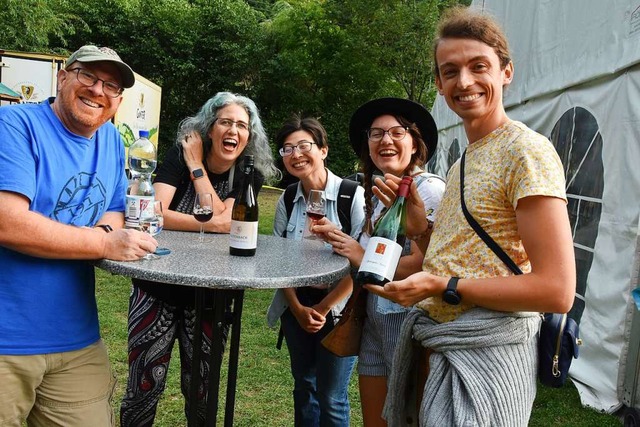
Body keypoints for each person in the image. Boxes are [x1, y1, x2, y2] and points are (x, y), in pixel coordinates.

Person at [368, 7, 576, 426]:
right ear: (440, 85)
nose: (464, 81)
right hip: (440, 348)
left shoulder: (525, 151)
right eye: (450, 71)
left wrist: (443, 285)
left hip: (488, 357)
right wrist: (419, 228)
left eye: (478, 66)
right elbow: (447, 258)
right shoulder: (460, 163)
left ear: (506, 71)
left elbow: (556, 290)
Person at [0, 45, 156, 427]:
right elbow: (7, 221)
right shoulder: (15, 125)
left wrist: (104, 229)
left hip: (76, 338)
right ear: (63, 76)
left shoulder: (110, 143)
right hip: (6, 339)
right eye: (88, 76)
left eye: (111, 85)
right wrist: (103, 242)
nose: (98, 90)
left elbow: (116, 207)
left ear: (118, 101)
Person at [120, 92, 279, 426]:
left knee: (202, 392)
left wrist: (196, 168)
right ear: (210, 128)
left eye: (241, 125)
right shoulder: (179, 154)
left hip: (211, 297)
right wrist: (214, 218)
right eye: (225, 122)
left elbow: (226, 222)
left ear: (249, 136)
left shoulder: (249, 172)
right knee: (143, 386)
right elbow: (156, 212)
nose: (233, 130)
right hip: (156, 286)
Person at [314, 98, 445, 426]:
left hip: (409, 325)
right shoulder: (375, 195)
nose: (385, 140)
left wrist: (359, 255)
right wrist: (341, 240)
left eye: (397, 132)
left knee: (409, 417)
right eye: (376, 134)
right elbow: (372, 255)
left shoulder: (428, 191)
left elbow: (425, 264)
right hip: (374, 320)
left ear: (415, 144)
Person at [266, 116, 365, 427]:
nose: (296, 155)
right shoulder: (287, 198)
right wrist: (296, 309)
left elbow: (362, 265)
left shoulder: (352, 196)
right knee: (304, 386)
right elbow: (278, 260)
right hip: (296, 303)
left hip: (339, 309)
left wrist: (322, 307)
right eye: (287, 149)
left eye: (304, 146)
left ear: (323, 150)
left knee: (332, 396)